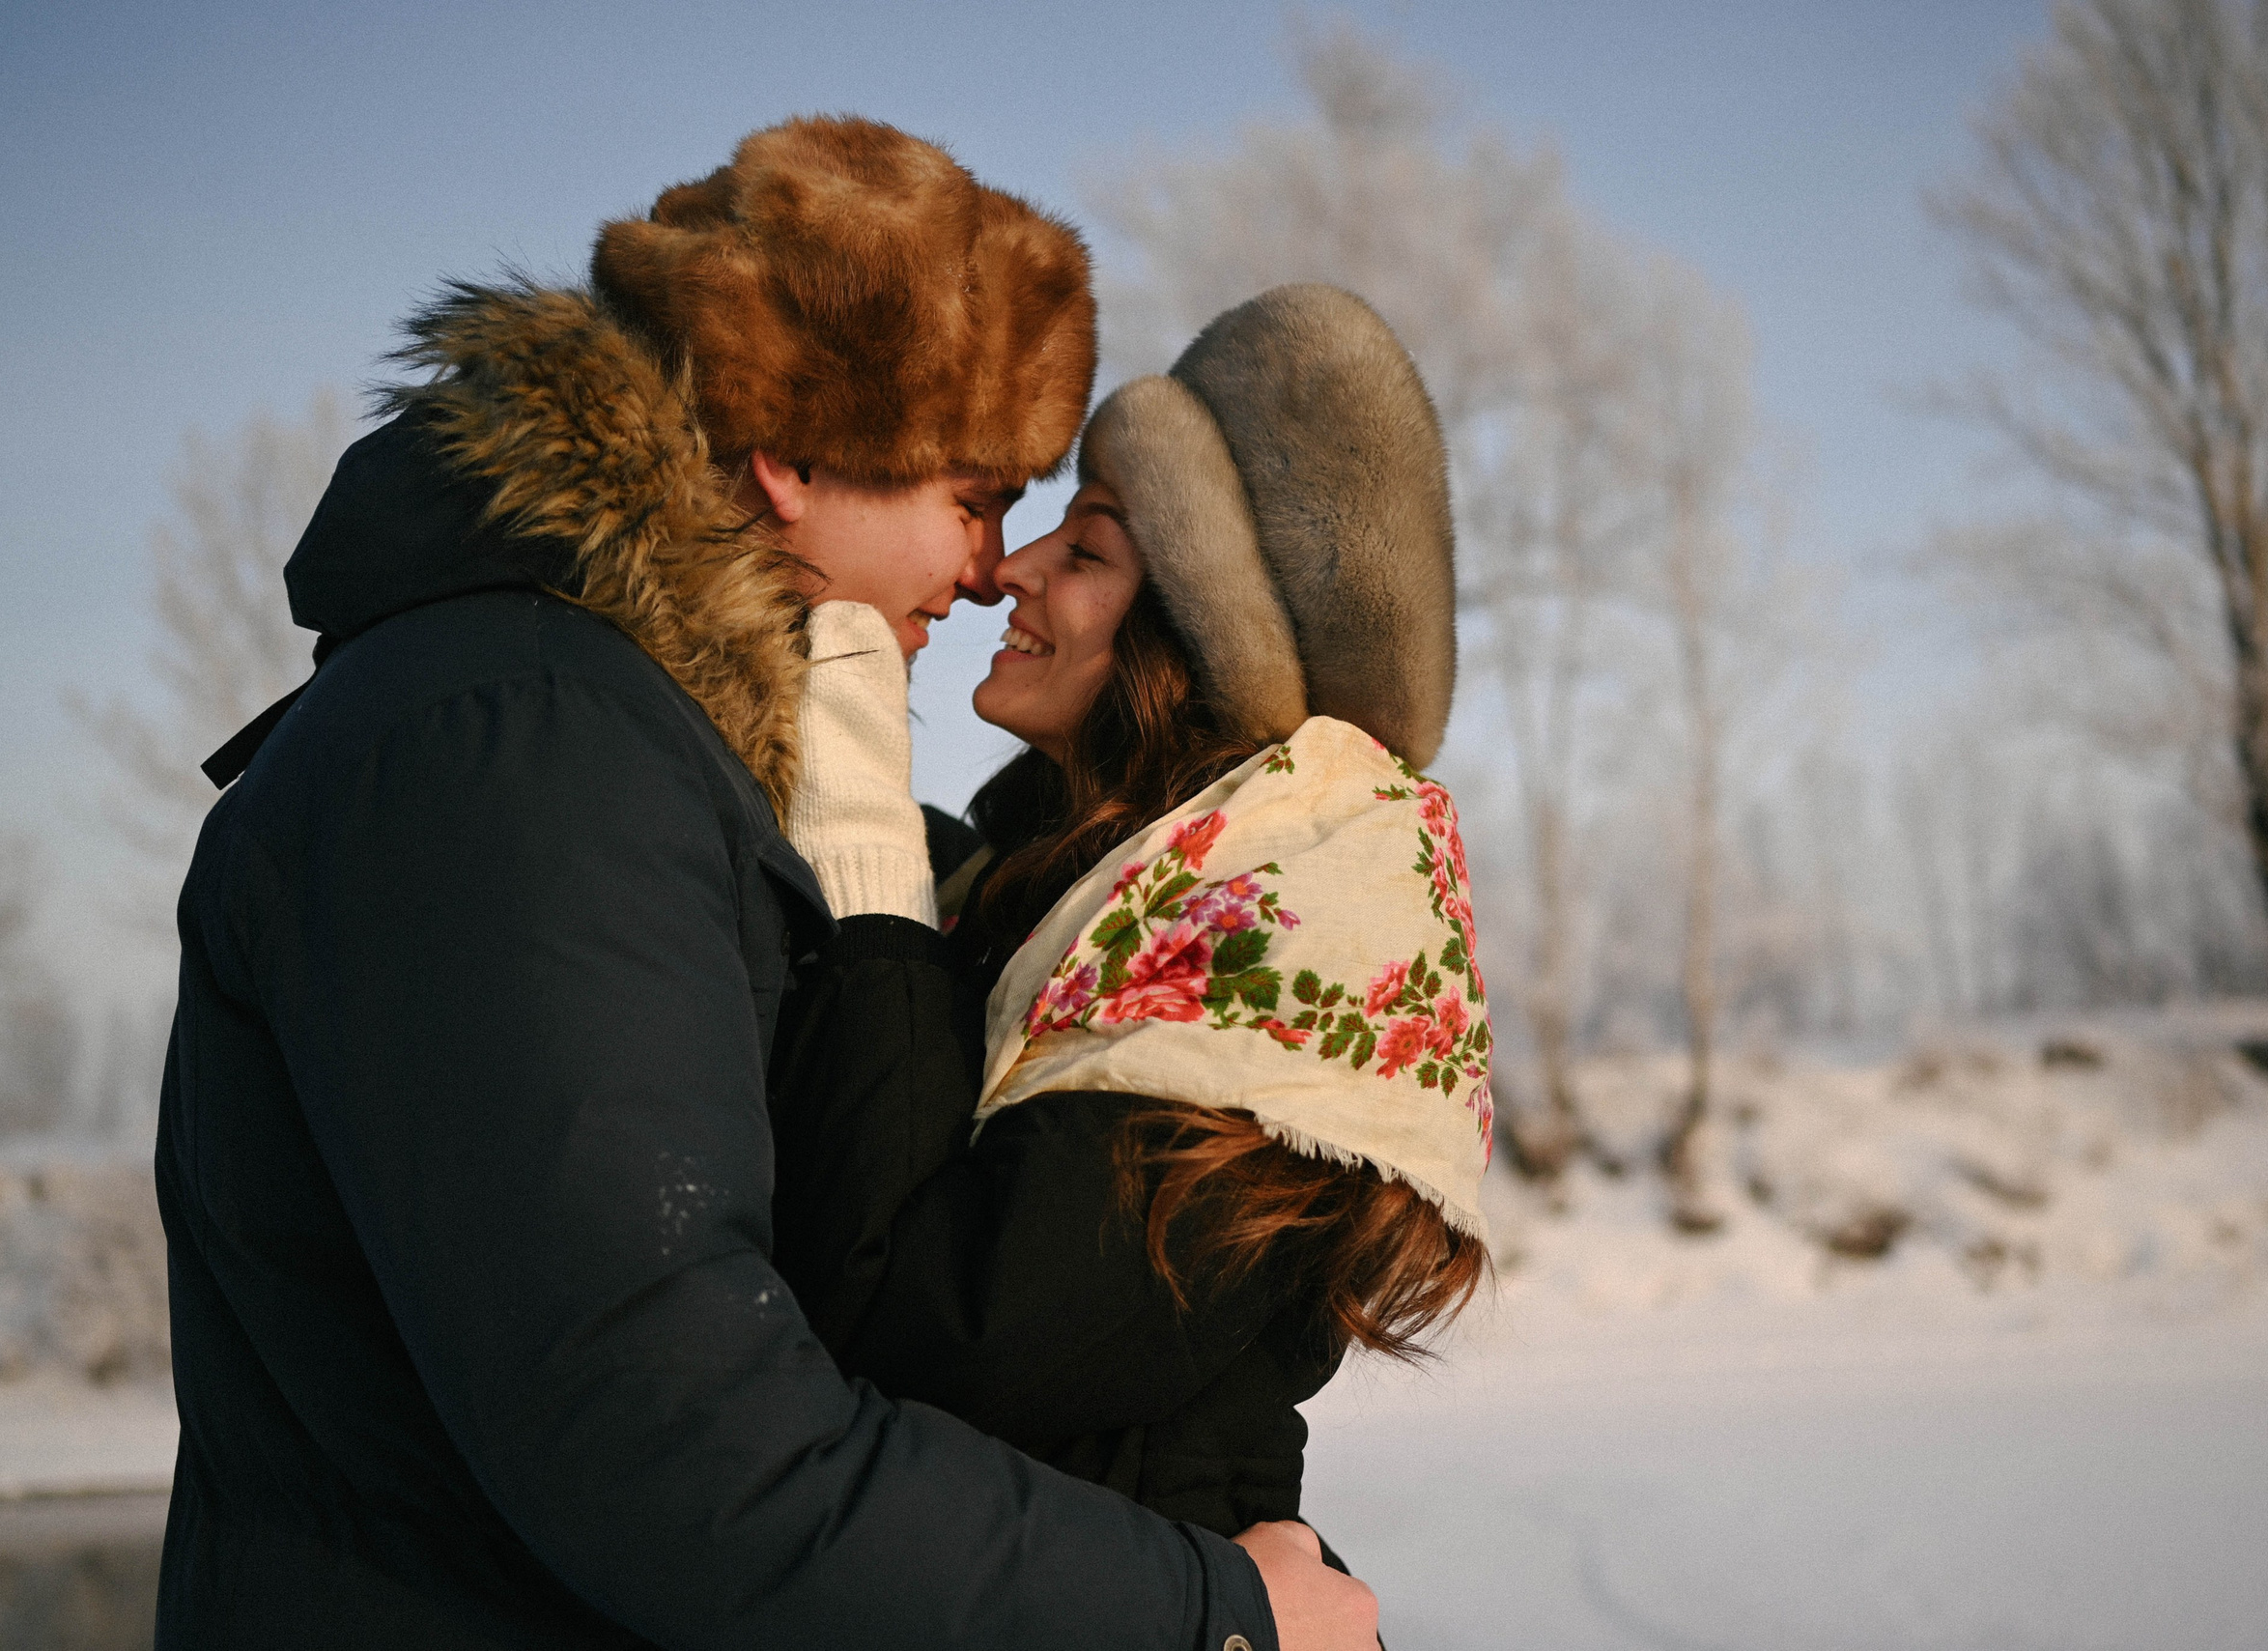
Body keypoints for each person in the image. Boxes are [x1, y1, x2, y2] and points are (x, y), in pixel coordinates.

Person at [154, 119, 1374, 1649]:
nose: (989, 568)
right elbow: (669, 1439)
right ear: (791, 457)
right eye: (975, 495)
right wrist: (1204, 1613)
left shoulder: (616, 745)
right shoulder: (525, 745)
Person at [768, 285, 1492, 1548]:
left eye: (1089, 550)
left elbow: (934, 1329)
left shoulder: (1270, 953)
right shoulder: (1037, 900)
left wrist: (863, 843)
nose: (1010, 568)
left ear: (1197, 640)